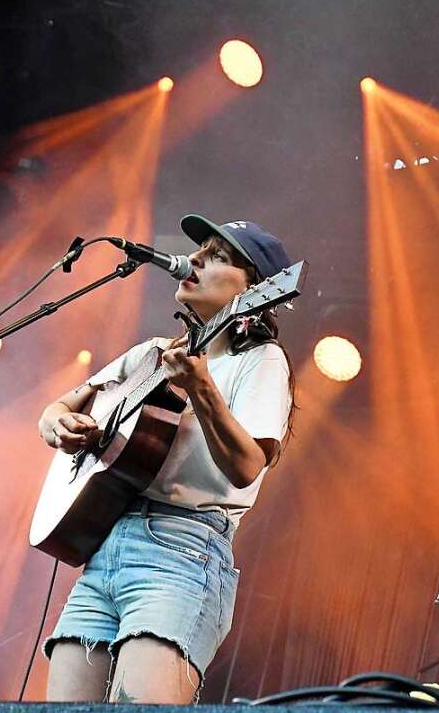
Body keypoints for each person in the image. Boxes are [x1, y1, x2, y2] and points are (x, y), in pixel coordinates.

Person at [39, 215, 296, 704]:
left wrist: (201, 387)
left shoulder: (260, 360)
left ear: (254, 292)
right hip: (105, 547)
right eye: (199, 250)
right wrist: (58, 426)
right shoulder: (151, 354)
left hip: (181, 551)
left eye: (218, 256)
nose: (195, 258)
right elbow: (57, 408)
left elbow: (245, 467)